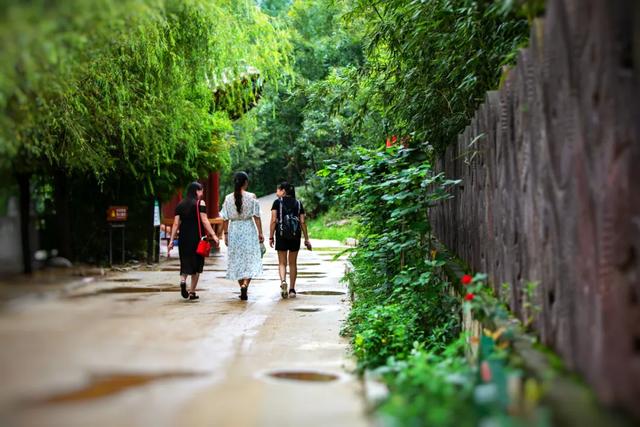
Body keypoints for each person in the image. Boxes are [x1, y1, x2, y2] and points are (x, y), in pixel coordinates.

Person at [168, 182, 218, 300]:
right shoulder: (200, 203)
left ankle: (182, 281)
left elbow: (176, 224)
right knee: (196, 264)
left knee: (185, 262)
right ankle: (192, 292)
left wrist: (171, 240)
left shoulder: (180, 204)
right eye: (201, 191)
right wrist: (214, 235)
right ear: (196, 191)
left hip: (183, 238)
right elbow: (204, 220)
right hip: (196, 238)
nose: (202, 193)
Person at [221, 172, 264, 300]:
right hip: (248, 229)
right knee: (249, 259)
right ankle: (245, 284)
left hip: (234, 230)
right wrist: (260, 233)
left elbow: (224, 218)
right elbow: (256, 216)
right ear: (245, 182)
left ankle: (242, 286)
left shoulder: (228, 198)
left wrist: (226, 234)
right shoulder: (252, 197)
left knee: (237, 260)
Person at [269, 182, 311, 299]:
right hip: (295, 236)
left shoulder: (277, 203)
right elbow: (302, 222)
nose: (277, 192)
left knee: (282, 263)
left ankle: (283, 281)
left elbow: (273, 220)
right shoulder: (298, 203)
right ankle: (292, 289)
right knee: (293, 263)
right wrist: (306, 238)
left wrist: (271, 236)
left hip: (281, 235)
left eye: (278, 189)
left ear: (284, 191)